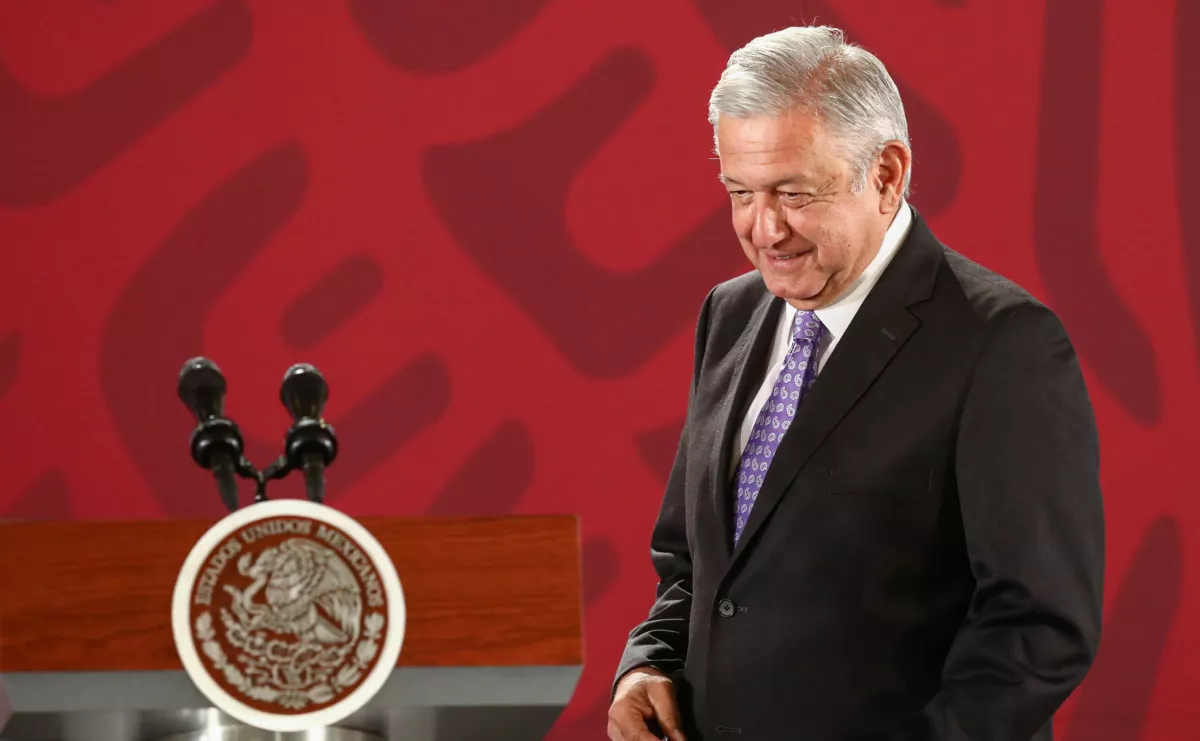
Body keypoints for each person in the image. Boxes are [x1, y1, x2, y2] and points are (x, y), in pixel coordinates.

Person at [607, 25, 1105, 741]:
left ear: (888, 173)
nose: (764, 228)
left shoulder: (1003, 342)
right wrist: (648, 664)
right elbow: (693, 561)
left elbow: (1038, 626)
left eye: (794, 192)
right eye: (739, 192)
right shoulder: (731, 311)